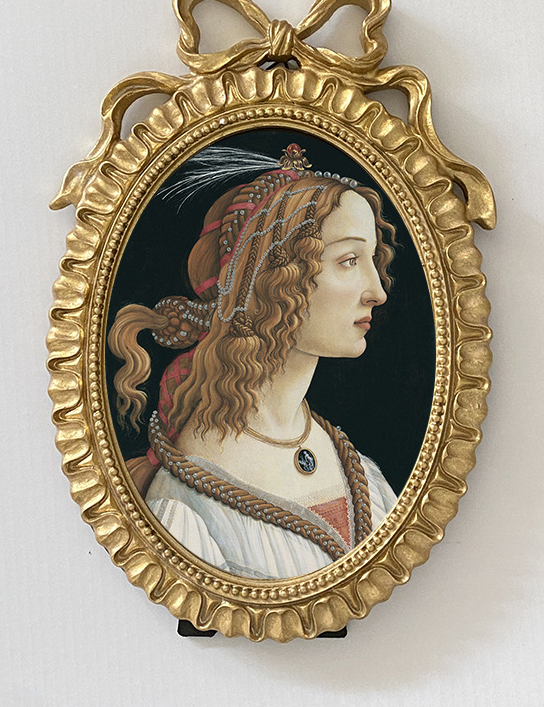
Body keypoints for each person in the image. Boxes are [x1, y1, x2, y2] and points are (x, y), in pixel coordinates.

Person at [108, 143, 398, 579]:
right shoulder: (188, 499)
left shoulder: (352, 465)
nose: (377, 292)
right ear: (274, 281)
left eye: (372, 260)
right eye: (349, 260)